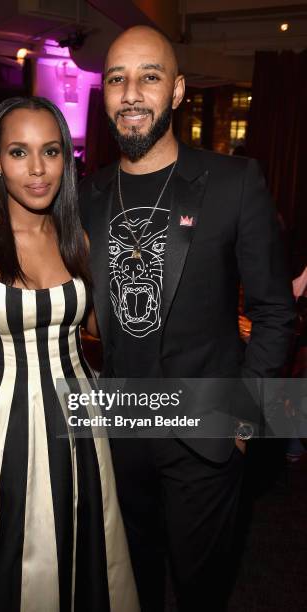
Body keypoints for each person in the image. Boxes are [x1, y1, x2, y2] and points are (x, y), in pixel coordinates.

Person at [77, 26, 295, 612]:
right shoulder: (87, 194)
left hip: (206, 431)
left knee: (203, 592)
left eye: (149, 76)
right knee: (131, 585)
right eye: (117, 79)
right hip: (117, 431)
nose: (131, 93)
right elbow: (79, 311)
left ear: (175, 91)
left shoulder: (233, 183)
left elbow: (276, 314)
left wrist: (246, 424)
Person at [0, 97, 139, 612]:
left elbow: (103, 330)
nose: (38, 169)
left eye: (50, 151)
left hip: (81, 425)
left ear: (66, 159)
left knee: (83, 552)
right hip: (0, 431)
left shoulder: (77, 242)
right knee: (4, 568)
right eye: (19, 152)